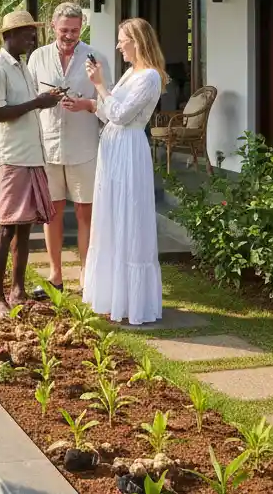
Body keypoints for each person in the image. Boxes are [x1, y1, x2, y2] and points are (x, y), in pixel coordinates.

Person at [78, 17, 167, 325]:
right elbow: (108, 112)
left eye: (122, 41)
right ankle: (112, 296)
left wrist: (100, 85)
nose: (118, 46)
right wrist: (91, 102)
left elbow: (121, 114)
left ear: (137, 42)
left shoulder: (150, 77)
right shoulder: (131, 73)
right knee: (111, 218)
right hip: (113, 148)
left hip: (129, 150)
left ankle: (133, 302)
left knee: (129, 218)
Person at [0, 10, 63, 318]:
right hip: (11, 157)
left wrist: (44, 98)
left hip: (31, 155)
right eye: (27, 34)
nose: (32, 38)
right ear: (9, 36)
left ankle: (18, 290)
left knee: (25, 227)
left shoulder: (24, 69)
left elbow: (25, 108)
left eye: (33, 33)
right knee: (6, 227)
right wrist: (37, 103)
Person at [28, 2, 106, 293]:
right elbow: (31, 100)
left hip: (84, 147)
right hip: (48, 146)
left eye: (74, 30)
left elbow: (108, 103)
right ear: (53, 27)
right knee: (52, 212)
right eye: (64, 30)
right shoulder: (37, 57)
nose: (69, 35)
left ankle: (87, 273)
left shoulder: (95, 57)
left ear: (81, 28)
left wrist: (85, 105)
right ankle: (55, 274)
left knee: (86, 213)